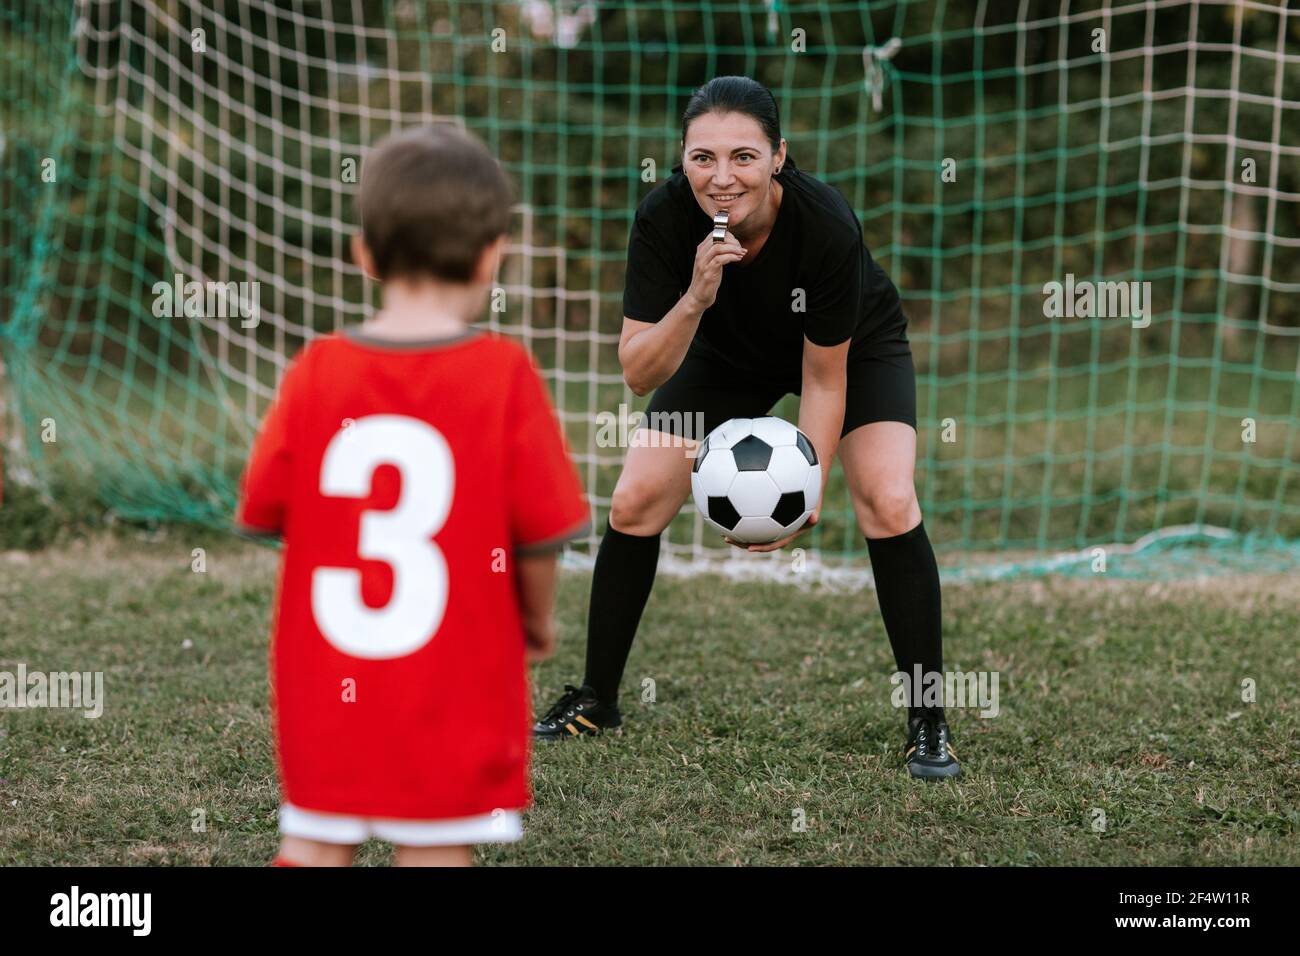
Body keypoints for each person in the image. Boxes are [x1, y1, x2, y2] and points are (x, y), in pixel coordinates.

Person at [534, 76, 958, 780]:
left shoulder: (824, 224)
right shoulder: (665, 218)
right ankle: (599, 698)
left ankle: (927, 718)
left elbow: (823, 379)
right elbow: (638, 372)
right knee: (634, 502)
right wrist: (697, 297)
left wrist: (807, 485)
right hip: (725, 352)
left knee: (888, 500)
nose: (722, 177)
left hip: (854, 346)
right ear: (682, 159)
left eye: (744, 157)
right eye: (702, 158)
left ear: (778, 158)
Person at [236, 125, 591, 866]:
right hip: (453, 683)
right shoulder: (505, 376)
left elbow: (265, 507)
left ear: (363, 254)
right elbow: (539, 535)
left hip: (325, 683)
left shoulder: (315, 371)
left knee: (312, 843)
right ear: (494, 255)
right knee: (434, 851)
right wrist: (534, 622)